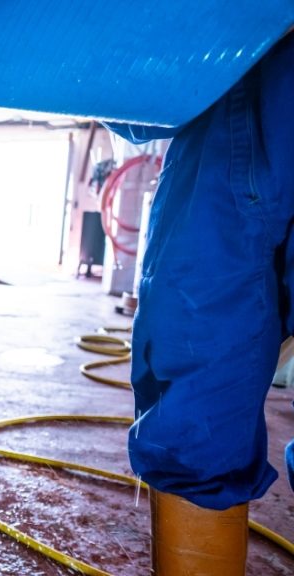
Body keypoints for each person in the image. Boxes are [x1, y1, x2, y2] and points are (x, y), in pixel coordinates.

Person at [106, 30, 293, 574]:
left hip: (230, 124)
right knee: (197, 391)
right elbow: (137, 101)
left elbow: (130, 97)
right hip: (231, 115)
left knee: (198, 374)